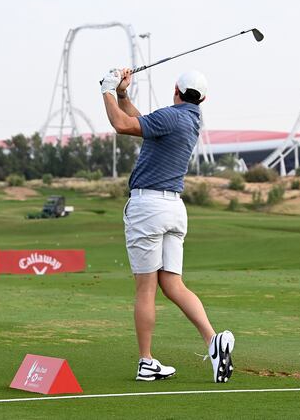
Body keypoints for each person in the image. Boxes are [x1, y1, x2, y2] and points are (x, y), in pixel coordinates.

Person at [100, 68, 235, 383]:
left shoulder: (171, 118)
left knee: (146, 288)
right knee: (173, 284)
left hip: (148, 208)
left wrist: (106, 89)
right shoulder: (189, 119)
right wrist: (122, 95)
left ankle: (146, 361)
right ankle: (213, 340)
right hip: (174, 208)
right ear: (202, 98)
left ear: (176, 90)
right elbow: (141, 121)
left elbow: (122, 124)